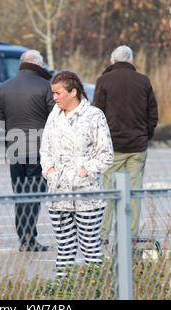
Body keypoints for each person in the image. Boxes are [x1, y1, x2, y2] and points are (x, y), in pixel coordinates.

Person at [40, 70, 114, 278]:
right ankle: (64, 289)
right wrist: (50, 171)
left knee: (90, 247)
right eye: (53, 93)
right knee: (64, 248)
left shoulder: (94, 116)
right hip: (58, 194)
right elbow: (45, 150)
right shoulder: (53, 116)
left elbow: (106, 155)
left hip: (87, 196)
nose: (54, 98)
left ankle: (96, 287)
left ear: (73, 92)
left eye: (58, 93)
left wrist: (83, 173)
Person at [92, 45, 158, 242]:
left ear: (112, 62)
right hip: (137, 146)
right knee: (134, 191)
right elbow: (152, 114)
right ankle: (131, 233)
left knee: (109, 191)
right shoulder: (143, 81)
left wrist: (98, 141)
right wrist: (146, 136)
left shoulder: (103, 81)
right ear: (131, 61)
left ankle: (103, 234)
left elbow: (97, 114)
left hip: (113, 146)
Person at [0, 49, 55, 252]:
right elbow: (55, 117)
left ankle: (24, 237)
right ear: (38, 64)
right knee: (34, 195)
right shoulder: (46, 86)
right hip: (39, 149)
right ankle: (29, 238)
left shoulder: (4, 87)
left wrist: (13, 131)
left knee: (20, 194)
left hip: (16, 150)